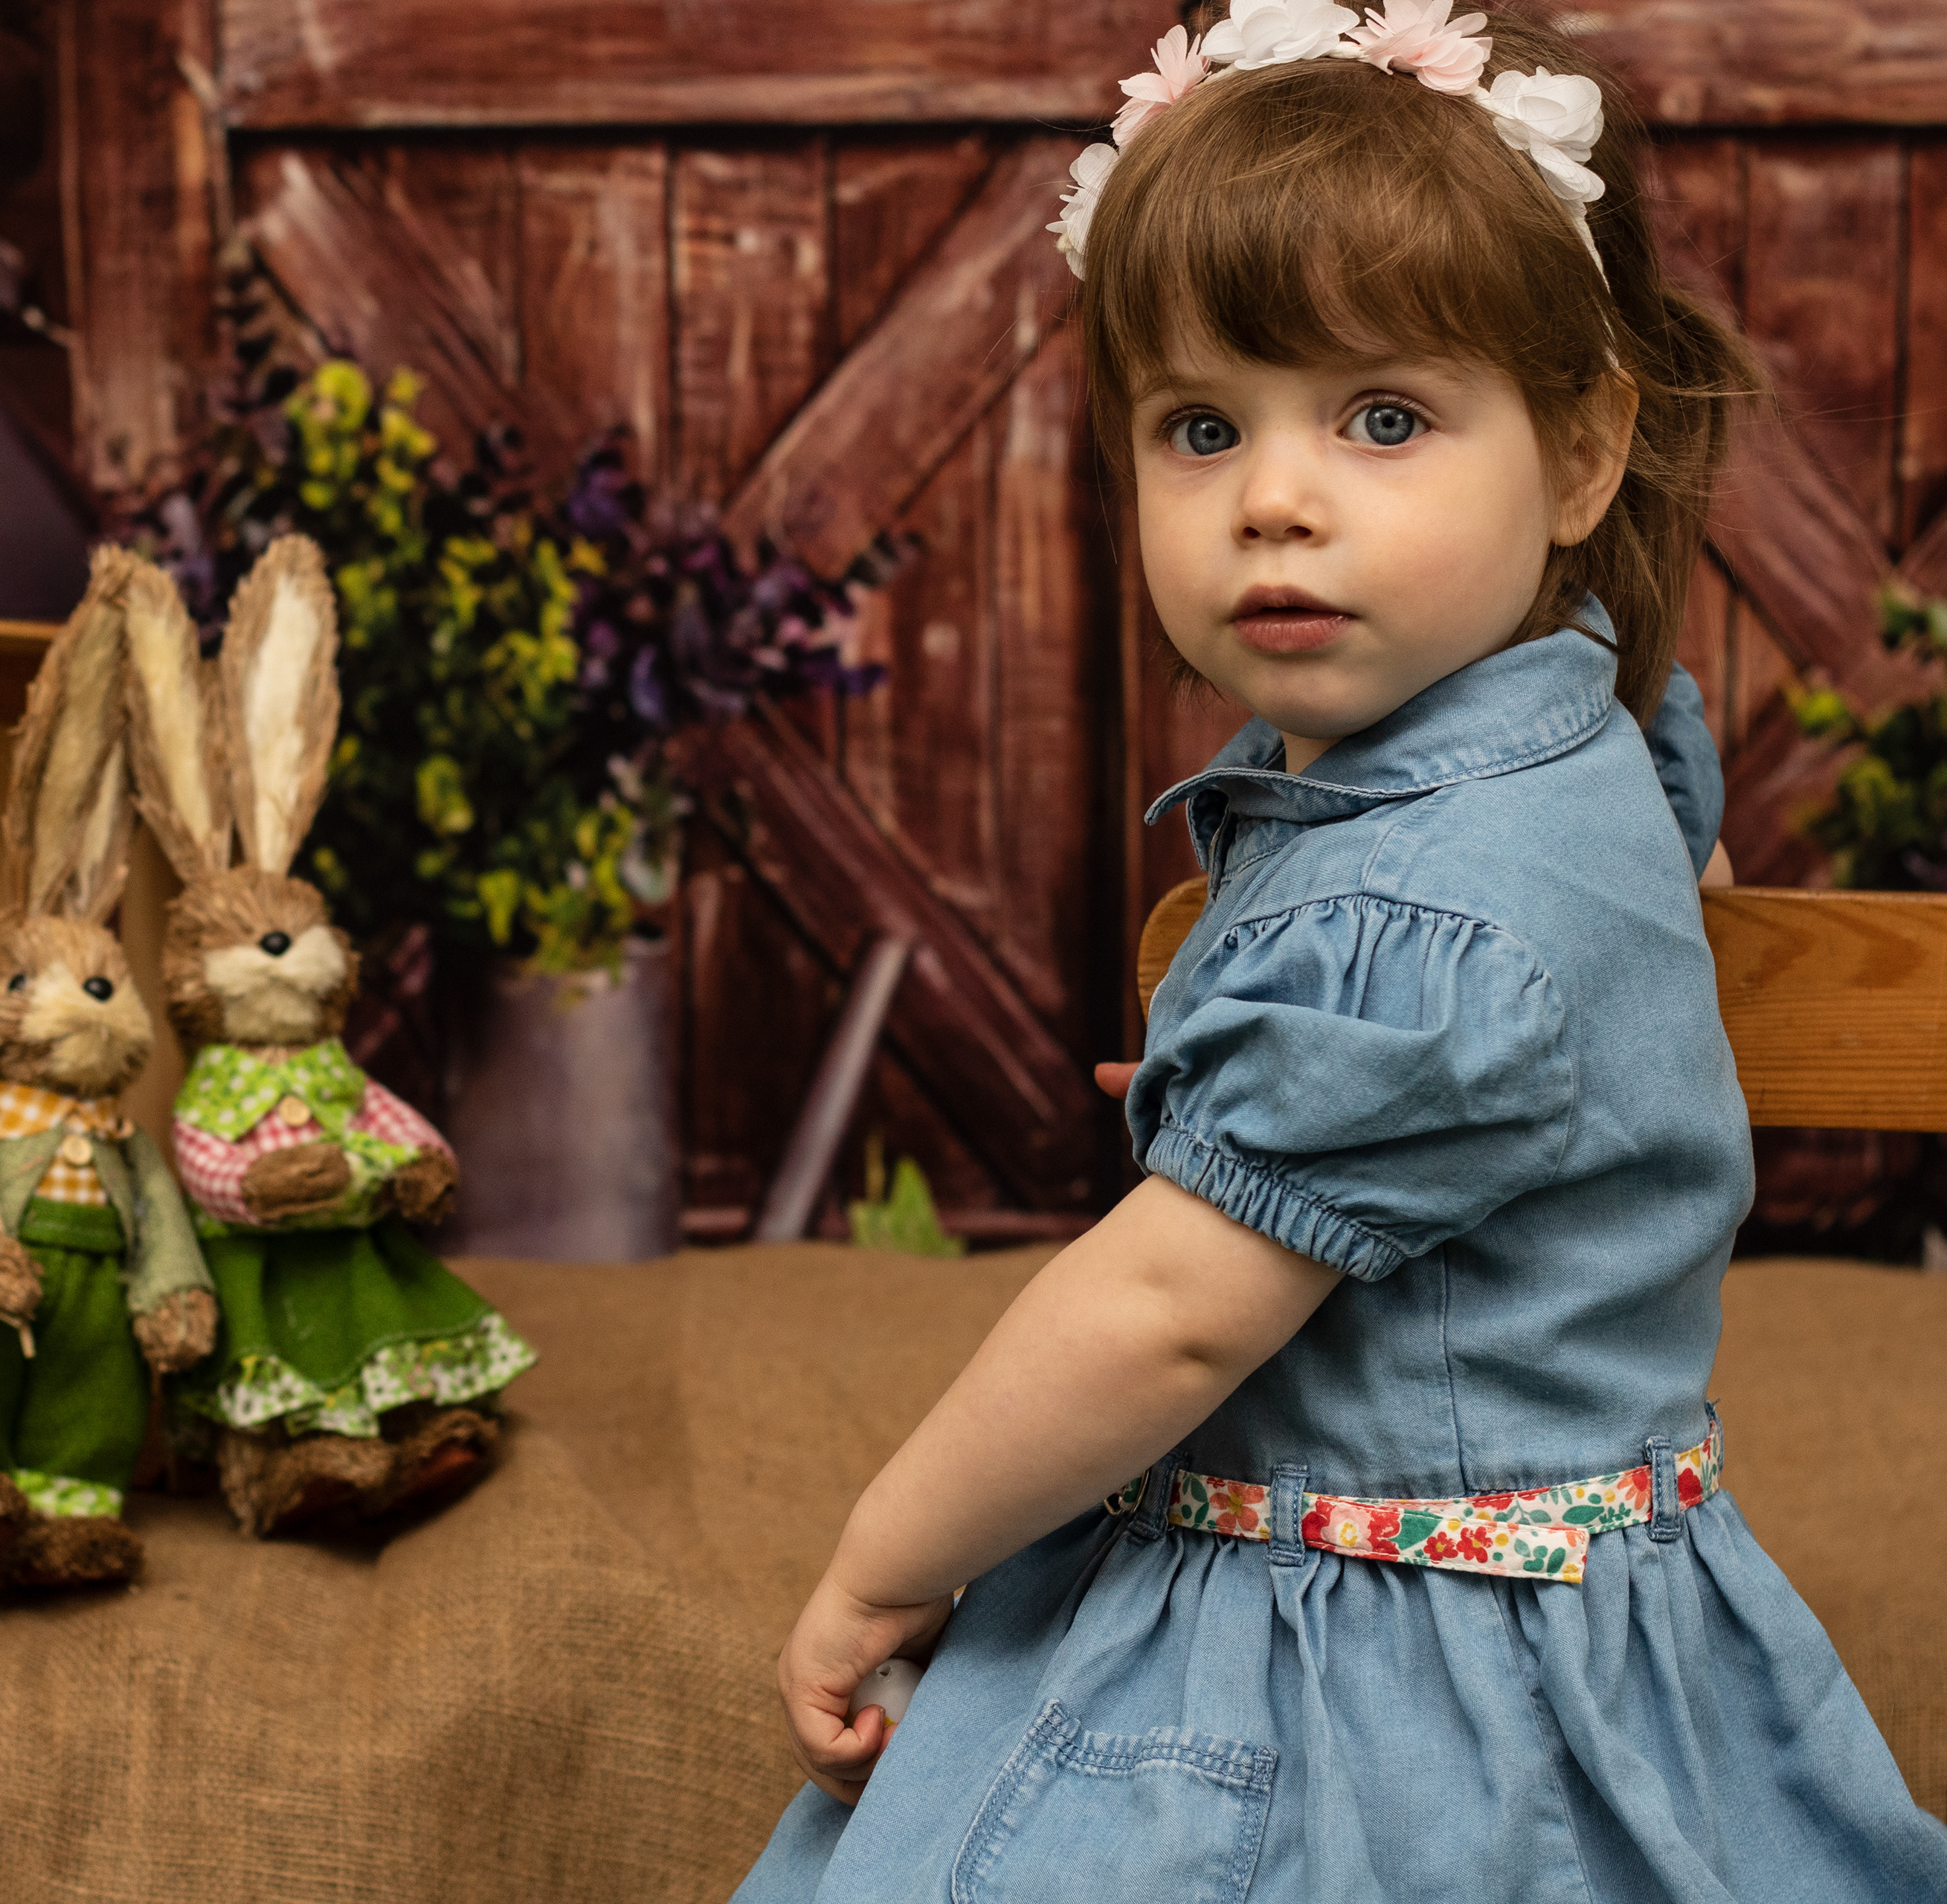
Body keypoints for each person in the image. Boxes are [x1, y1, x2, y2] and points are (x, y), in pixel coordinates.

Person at [734, 4, 1947, 1899]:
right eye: (1201, 426)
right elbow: (1606, 994)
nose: (1275, 497)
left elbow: (1170, 1311)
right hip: (1581, 1582)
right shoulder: (1600, 732)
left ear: (1581, 453)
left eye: (1385, 418)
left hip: (1389, 1662)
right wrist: (1306, 1098)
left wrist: (885, 1559)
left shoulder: (1426, 912)